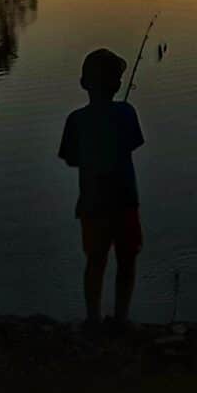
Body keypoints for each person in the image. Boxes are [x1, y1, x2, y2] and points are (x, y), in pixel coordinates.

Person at [57, 48, 145, 330]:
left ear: (84, 84)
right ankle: (121, 318)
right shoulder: (126, 112)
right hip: (125, 200)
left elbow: (71, 159)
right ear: (119, 85)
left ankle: (93, 318)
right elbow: (133, 143)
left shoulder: (75, 120)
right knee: (127, 261)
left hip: (92, 203)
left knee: (95, 261)